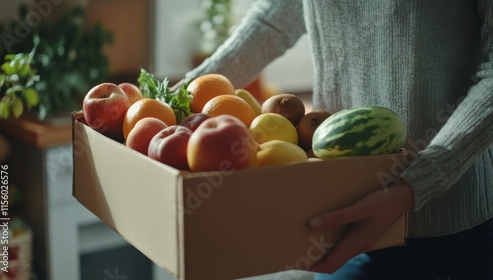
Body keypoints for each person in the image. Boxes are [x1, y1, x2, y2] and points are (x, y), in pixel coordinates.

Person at [183, 1, 493, 279]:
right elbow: (277, 16)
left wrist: (413, 185)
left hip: (443, 225)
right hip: (337, 203)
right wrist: (183, 99)